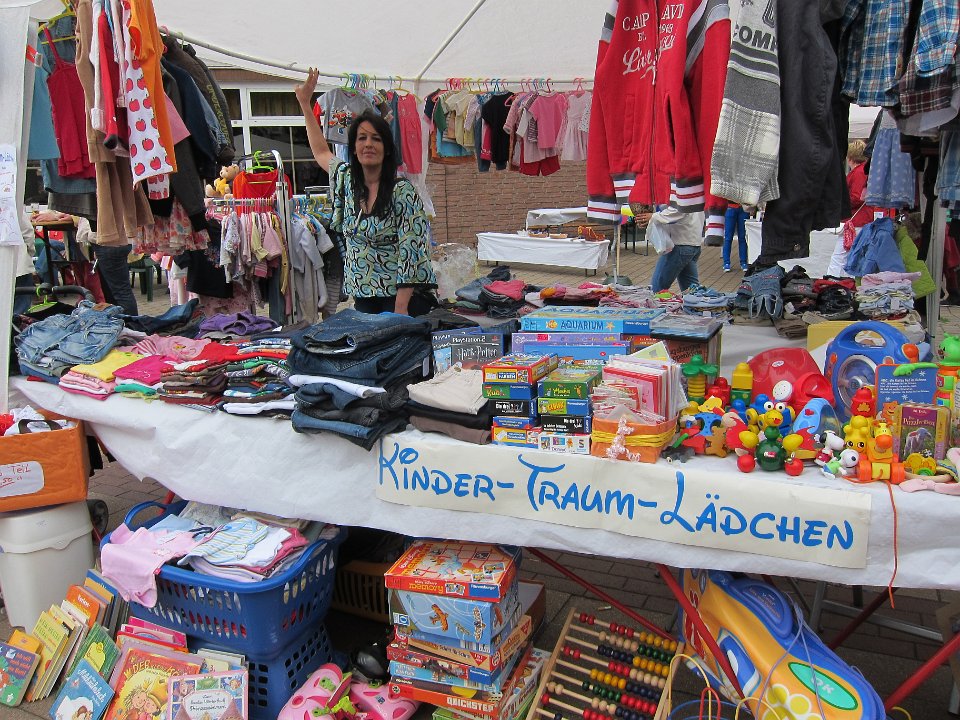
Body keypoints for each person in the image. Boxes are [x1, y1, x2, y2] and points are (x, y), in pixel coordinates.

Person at [294, 68, 436, 316]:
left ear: (387, 148)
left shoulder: (402, 192)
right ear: (354, 147)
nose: (368, 144)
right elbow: (321, 152)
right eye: (362, 138)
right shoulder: (347, 180)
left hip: (398, 299)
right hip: (362, 295)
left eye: (376, 139)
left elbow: (412, 251)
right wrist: (305, 104)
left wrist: (400, 310)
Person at [649, 206, 705, 293]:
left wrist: (654, 216)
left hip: (680, 244)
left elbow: (678, 209)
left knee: (656, 289)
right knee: (692, 292)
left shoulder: (684, 197)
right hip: (692, 243)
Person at [722, 202, 749, 272]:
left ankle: (743, 262)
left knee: (742, 237)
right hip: (731, 206)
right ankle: (726, 263)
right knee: (728, 237)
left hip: (743, 207)